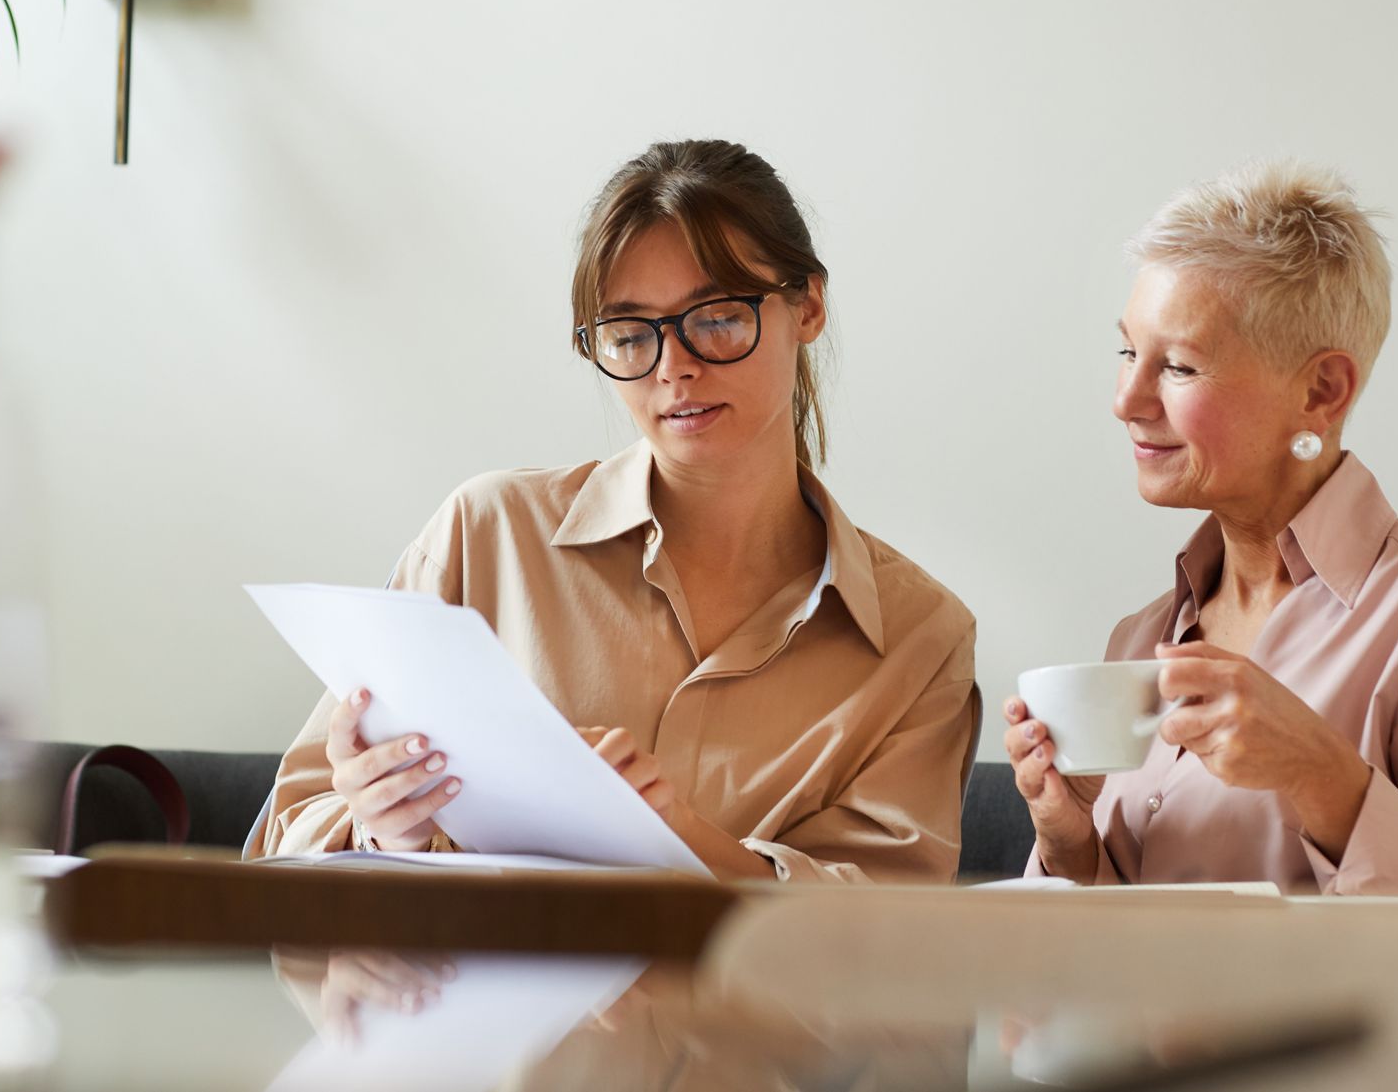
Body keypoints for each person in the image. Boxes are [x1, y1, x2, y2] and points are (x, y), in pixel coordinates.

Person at [250, 139, 980, 882]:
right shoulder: (487, 536)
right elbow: (283, 835)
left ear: (809, 306)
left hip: (743, 1004)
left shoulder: (920, 641)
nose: (674, 367)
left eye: (719, 317)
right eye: (631, 335)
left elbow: (890, 937)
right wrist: (379, 830)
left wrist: (679, 841)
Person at [1005, 161, 1398, 902]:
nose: (1126, 399)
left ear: (1321, 391)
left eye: (1177, 364)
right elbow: (1122, 957)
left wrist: (1322, 776)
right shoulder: (1140, 637)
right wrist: (1070, 843)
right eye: (1127, 352)